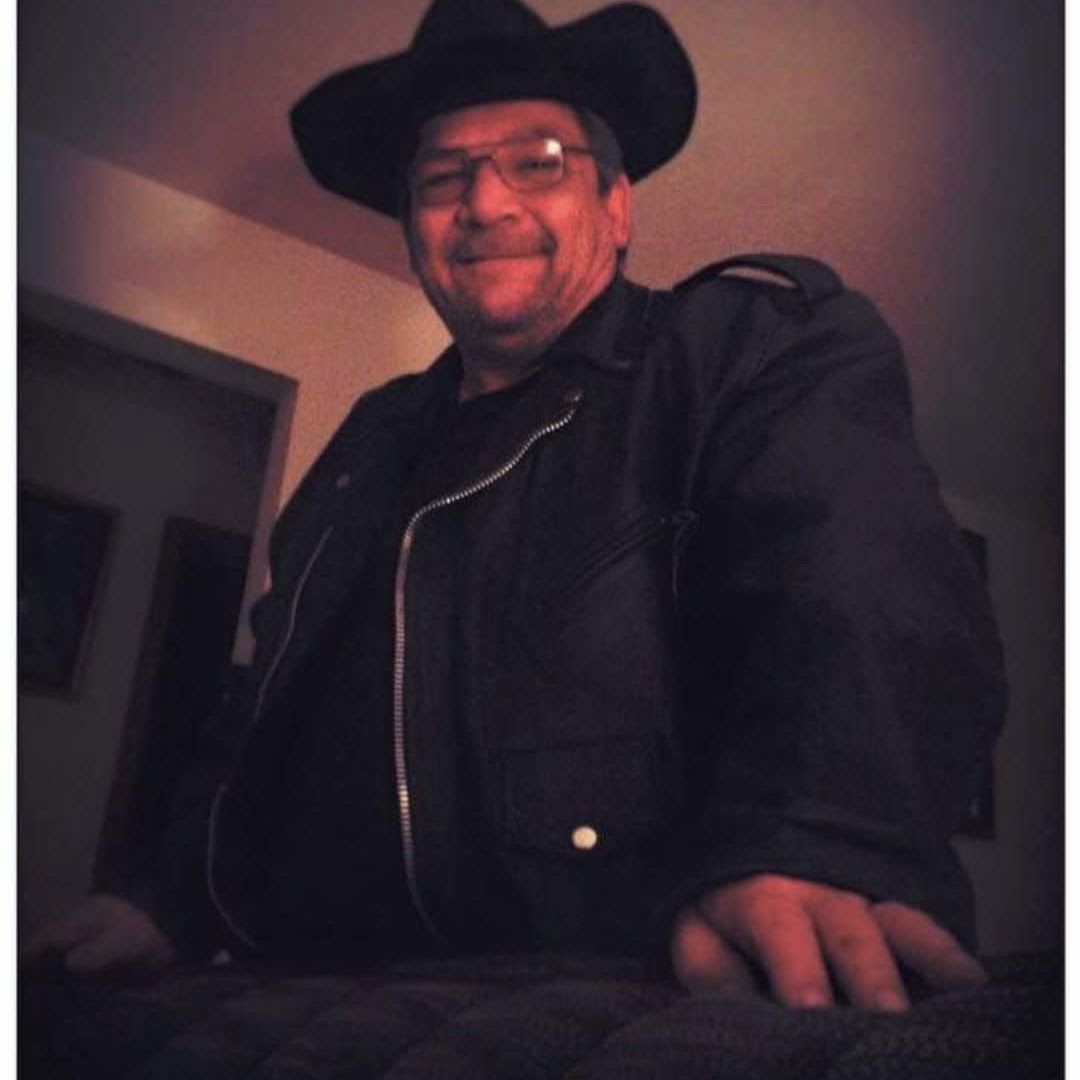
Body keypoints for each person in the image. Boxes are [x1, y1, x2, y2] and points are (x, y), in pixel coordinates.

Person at [24, 0, 1005, 1014]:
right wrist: (166, 894)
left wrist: (813, 842)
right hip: (302, 993)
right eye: (442, 177)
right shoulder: (367, 445)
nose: (484, 201)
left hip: (604, 1001)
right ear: (415, 229)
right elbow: (265, 705)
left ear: (616, 208)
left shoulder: (745, 350)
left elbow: (857, 583)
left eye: (538, 160)